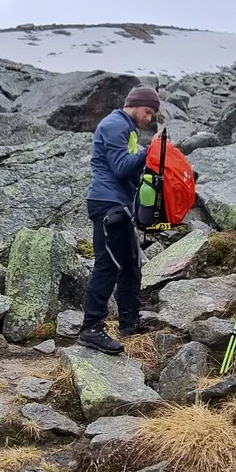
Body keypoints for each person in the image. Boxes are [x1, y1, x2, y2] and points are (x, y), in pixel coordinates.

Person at [78, 85, 161, 355]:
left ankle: (129, 321)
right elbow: (121, 166)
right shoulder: (115, 125)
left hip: (121, 205)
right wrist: (151, 151)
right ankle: (91, 328)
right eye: (148, 111)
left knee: (130, 265)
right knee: (108, 265)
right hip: (107, 205)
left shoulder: (127, 127)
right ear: (134, 104)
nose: (150, 118)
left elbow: (130, 170)